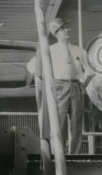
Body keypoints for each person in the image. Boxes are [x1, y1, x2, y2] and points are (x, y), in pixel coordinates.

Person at [27, 18, 92, 153]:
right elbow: (31, 66)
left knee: (76, 125)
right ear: (56, 33)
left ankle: (74, 155)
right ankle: (59, 155)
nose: (67, 30)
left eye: (67, 27)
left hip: (76, 87)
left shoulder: (78, 50)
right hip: (59, 87)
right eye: (63, 28)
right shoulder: (49, 51)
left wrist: (83, 85)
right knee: (59, 124)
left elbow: (91, 70)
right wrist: (47, 80)